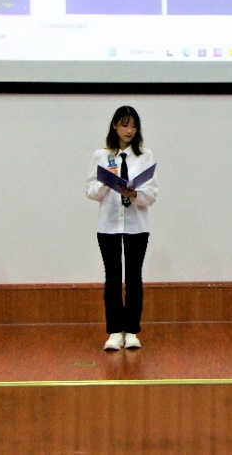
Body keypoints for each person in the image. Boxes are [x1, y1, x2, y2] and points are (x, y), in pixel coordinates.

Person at [85, 106, 158, 351]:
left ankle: (132, 331)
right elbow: (90, 191)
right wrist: (107, 182)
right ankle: (115, 332)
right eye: (125, 124)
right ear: (115, 125)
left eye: (134, 125)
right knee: (113, 278)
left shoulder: (145, 155)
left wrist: (134, 194)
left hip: (137, 225)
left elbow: (152, 194)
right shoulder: (102, 155)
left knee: (134, 278)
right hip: (109, 225)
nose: (129, 130)